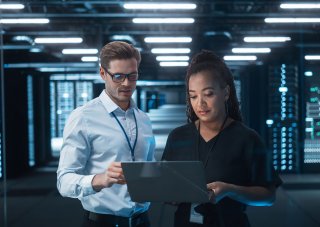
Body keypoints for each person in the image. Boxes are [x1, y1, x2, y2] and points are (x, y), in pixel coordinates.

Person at [162, 50, 282, 227]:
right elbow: (165, 183)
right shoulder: (177, 137)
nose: (200, 103)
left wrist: (230, 190)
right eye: (193, 96)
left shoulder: (247, 138)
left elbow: (268, 197)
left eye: (208, 94)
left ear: (225, 93)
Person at [57, 41, 155, 227]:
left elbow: (148, 169)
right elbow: (64, 182)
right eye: (118, 76)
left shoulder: (143, 119)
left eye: (132, 76)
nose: (127, 84)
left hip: (142, 220)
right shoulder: (83, 117)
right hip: (103, 222)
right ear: (103, 73)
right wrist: (100, 179)